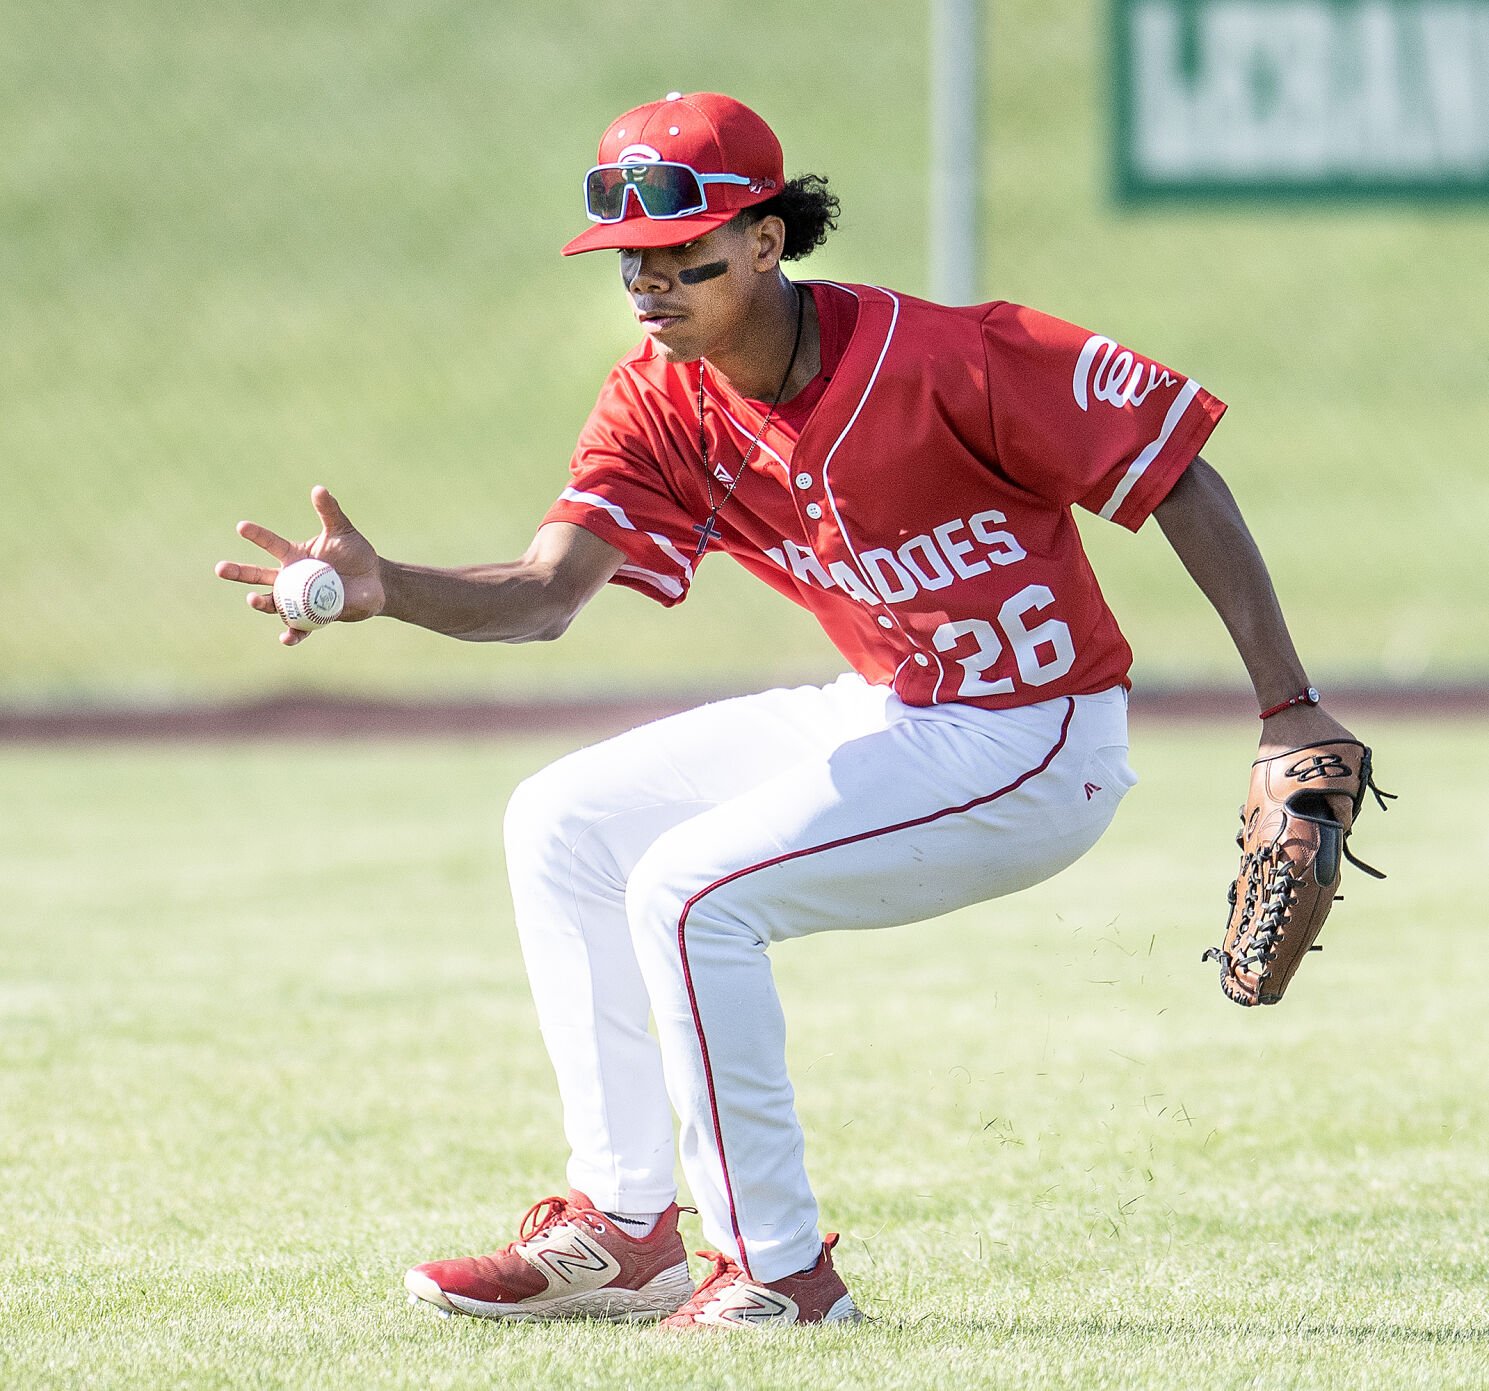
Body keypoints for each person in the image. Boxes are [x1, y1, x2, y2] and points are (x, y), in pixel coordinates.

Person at [217, 91, 1358, 1329]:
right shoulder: (661, 397)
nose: (650, 289)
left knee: (690, 890)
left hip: (1035, 736)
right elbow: (544, 596)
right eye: (629, 266)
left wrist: (1285, 703)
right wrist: (391, 591)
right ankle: (622, 1227)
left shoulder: (953, 357)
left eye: (683, 258)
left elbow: (1174, 469)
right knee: (559, 820)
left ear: (767, 241)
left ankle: (777, 1272)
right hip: (892, 706)